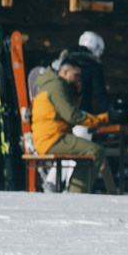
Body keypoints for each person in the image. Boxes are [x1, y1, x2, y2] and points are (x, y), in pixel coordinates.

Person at [28, 49, 106, 192]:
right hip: (52, 138)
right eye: (75, 75)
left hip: (50, 137)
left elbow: (66, 112)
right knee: (95, 151)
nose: (78, 79)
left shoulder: (53, 85)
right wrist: (103, 119)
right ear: (64, 73)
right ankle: (75, 192)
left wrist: (77, 93)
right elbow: (71, 115)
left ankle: (74, 190)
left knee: (89, 152)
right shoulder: (57, 86)